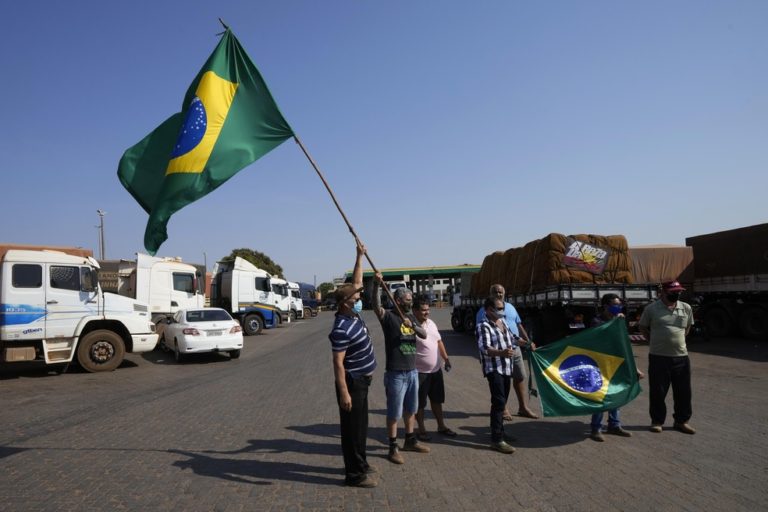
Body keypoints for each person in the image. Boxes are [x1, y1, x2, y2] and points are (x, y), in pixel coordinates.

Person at [328, 241, 378, 487]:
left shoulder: (353, 313)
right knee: (351, 430)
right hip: (352, 383)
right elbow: (338, 364)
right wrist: (344, 393)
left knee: (362, 427)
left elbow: (357, 281)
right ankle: (354, 475)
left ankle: (362, 463)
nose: (360, 296)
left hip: (363, 381)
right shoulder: (341, 328)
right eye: (356, 296)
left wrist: (359, 256)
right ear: (345, 302)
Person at [372, 276, 430, 464]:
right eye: (407, 299)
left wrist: (411, 324)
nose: (411, 301)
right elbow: (375, 305)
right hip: (396, 373)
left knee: (411, 409)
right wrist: (376, 286)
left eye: (411, 299)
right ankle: (392, 447)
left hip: (412, 371)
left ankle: (410, 440)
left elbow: (424, 334)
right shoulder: (388, 317)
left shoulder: (411, 316)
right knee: (394, 413)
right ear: (398, 300)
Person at [639, 280, 696, 435]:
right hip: (658, 357)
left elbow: (687, 328)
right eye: (673, 292)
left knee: (683, 392)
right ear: (663, 292)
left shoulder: (686, 308)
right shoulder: (652, 309)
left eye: (679, 292)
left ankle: (682, 421)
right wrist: (653, 341)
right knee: (658, 391)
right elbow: (643, 327)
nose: (676, 294)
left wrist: (676, 341)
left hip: (681, 357)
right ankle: (657, 421)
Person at [475, 284, 538, 420]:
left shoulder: (510, 307)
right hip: (497, 356)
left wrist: (528, 342)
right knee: (500, 385)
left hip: (514, 349)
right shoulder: (483, 312)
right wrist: (496, 352)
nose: (499, 294)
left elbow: (518, 325)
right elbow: (483, 340)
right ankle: (503, 410)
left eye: (501, 292)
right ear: (491, 294)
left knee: (520, 377)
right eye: (496, 292)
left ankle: (523, 407)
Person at [588, 293, 644, 442]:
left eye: (619, 305)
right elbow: (600, 337)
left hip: (617, 363)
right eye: (615, 305)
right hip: (601, 364)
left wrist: (634, 368)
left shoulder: (619, 321)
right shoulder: (597, 321)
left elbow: (624, 346)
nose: (618, 307)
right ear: (606, 306)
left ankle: (614, 425)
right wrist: (616, 323)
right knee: (601, 396)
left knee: (617, 393)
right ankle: (596, 428)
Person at [476, 297, 519, 454]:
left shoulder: (504, 323)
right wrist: (501, 352)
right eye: (498, 309)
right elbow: (485, 348)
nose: (502, 311)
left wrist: (525, 343)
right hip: (494, 369)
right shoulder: (483, 326)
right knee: (499, 402)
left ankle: (500, 430)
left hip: (507, 368)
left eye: (502, 308)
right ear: (488, 310)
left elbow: (513, 338)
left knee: (503, 400)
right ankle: (497, 439)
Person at [412, 295, 456, 441]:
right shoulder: (409, 326)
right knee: (420, 403)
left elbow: (439, 342)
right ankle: (421, 429)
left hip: (436, 371)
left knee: (437, 400)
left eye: (427, 309)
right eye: (423, 310)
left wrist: (446, 359)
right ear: (415, 311)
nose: (427, 312)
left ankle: (441, 425)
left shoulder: (431, 323)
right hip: (419, 372)